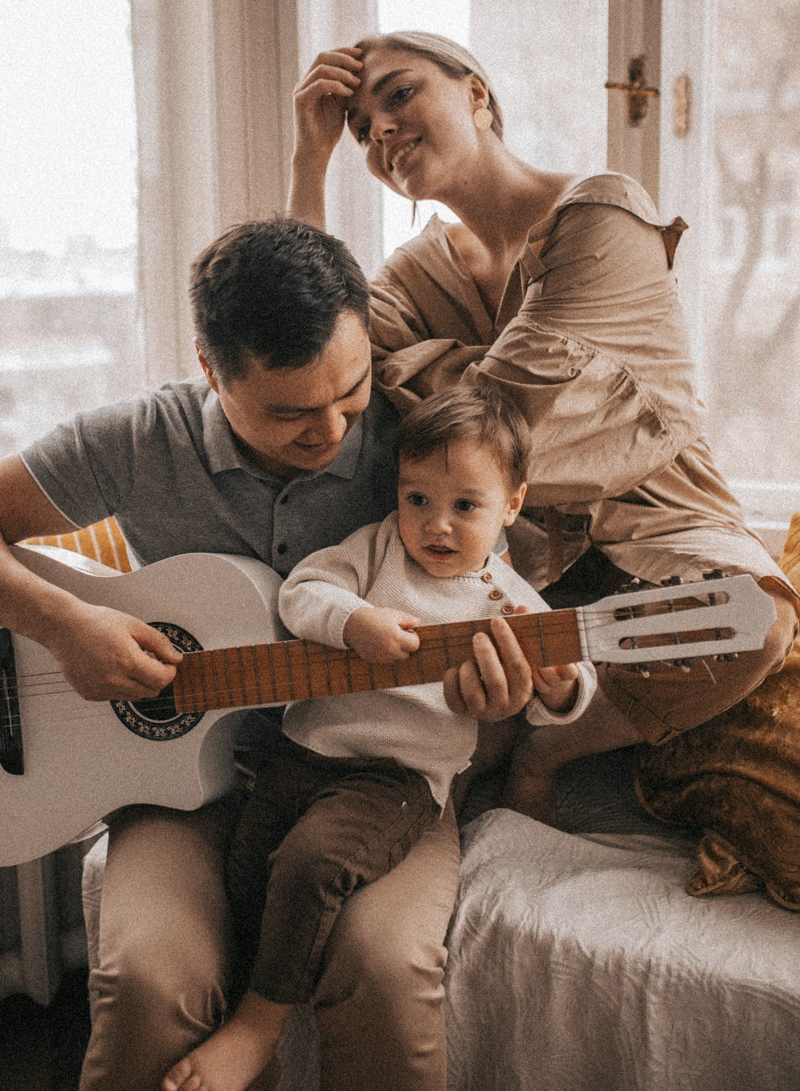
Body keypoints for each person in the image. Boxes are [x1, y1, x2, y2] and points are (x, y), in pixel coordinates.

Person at [0, 217, 534, 1091]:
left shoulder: (419, 445)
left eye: (350, 392)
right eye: (290, 411)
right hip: (175, 784)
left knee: (387, 971)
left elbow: (487, 593)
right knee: (148, 982)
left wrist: (504, 699)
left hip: (372, 769)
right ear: (212, 373)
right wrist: (64, 625)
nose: (331, 430)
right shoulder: (137, 440)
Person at [287, 30, 799, 823]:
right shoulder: (413, 272)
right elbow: (316, 353)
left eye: (397, 94)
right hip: (508, 548)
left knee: (757, 618)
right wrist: (308, 161)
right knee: (421, 709)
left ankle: (551, 746)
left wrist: (417, 372)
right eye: (357, 127)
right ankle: (501, 729)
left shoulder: (600, 212)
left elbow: (505, 422)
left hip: (659, 513)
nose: (379, 130)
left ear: (478, 94)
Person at [163, 383, 596, 1091]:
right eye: (416, 498)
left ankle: (259, 1026)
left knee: (309, 863)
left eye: (466, 506)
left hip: (397, 781)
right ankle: (248, 1011)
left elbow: (573, 679)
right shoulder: (376, 549)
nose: (436, 525)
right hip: (300, 753)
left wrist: (562, 688)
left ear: (512, 505)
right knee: (246, 864)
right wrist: (354, 621)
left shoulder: (510, 602)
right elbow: (301, 592)